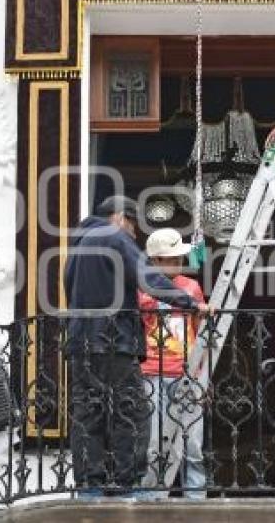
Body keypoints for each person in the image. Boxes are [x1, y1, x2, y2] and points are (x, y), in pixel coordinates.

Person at [64, 195, 211, 496]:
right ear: (121, 218)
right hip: (113, 342)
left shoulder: (76, 248)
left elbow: (69, 290)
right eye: (133, 229)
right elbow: (147, 278)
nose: (133, 237)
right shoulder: (114, 237)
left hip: (81, 344)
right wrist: (190, 303)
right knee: (131, 414)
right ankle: (124, 486)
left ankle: (89, 488)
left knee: (88, 416)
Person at [138, 228, 207, 499]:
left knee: (193, 447)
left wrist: (202, 377)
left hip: (187, 375)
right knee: (154, 445)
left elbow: (201, 334)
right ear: (155, 261)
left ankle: (196, 506)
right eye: (172, 258)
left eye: (179, 257)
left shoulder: (191, 287)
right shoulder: (141, 289)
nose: (178, 262)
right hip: (151, 374)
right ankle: (149, 505)